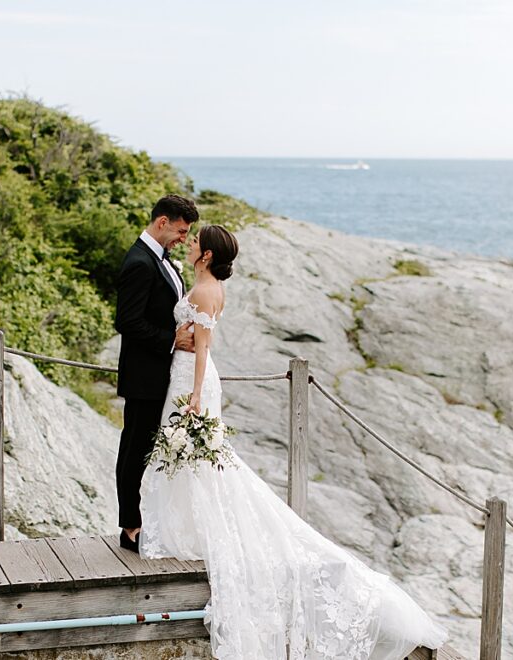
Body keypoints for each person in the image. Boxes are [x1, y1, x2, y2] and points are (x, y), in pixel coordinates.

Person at [139, 224, 449, 659]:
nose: (189, 245)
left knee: (198, 457)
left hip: (193, 380)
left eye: (195, 242)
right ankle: (183, 526)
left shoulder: (207, 292)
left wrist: (193, 396)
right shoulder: (202, 284)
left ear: (206, 255)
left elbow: (204, 347)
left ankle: (195, 529)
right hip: (182, 373)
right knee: (191, 459)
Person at [114, 194, 199, 552]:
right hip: (144, 375)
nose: (183, 238)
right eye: (181, 231)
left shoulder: (162, 260)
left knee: (156, 450)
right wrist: (172, 340)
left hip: (166, 373)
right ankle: (130, 527)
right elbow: (127, 322)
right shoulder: (139, 262)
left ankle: (157, 519)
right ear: (162, 222)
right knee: (135, 450)